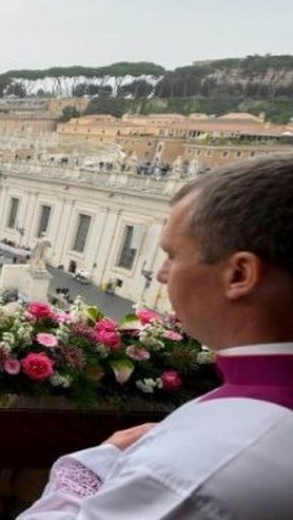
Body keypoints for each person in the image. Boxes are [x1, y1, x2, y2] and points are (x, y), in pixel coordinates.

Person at [18, 153, 293, 519]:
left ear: (239, 274)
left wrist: (95, 463)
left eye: (172, 255)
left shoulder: (189, 470)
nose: (161, 274)